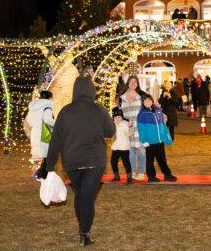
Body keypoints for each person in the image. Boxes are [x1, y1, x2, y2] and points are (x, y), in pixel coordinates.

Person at [46, 77, 115, 246]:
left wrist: (49, 166)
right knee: (87, 198)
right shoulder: (99, 109)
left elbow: (55, 140)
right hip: (94, 161)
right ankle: (84, 233)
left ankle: (82, 229)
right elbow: (110, 130)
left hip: (72, 161)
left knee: (81, 194)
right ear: (92, 90)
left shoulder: (65, 112)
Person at [136, 94, 177, 182]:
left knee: (162, 158)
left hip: (160, 140)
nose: (148, 102)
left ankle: (167, 174)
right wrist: (144, 140)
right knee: (150, 160)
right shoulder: (142, 114)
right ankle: (151, 176)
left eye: (149, 100)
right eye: (145, 100)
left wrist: (167, 137)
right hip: (150, 141)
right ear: (142, 102)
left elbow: (163, 125)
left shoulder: (158, 111)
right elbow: (141, 129)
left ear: (152, 101)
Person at [119, 75, 147, 181]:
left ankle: (141, 172)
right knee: (132, 151)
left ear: (137, 83)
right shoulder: (122, 97)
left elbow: (150, 106)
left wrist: (161, 114)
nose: (133, 83)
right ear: (128, 83)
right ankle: (133, 171)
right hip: (128, 128)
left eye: (135, 82)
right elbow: (120, 113)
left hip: (140, 126)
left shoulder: (142, 96)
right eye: (131, 81)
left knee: (142, 150)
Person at [26, 90, 56, 176]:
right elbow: (48, 120)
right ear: (49, 98)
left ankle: (37, 173)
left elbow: (28, 120)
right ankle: (44, 174)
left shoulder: (33, 107)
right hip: (43, 133)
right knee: (45, 155)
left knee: (37, 154)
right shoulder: (47, 107)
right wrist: (57, 123)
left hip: (34, 132)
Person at [110, 106, 132, 184]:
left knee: (126, 162)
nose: (117, 119)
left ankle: (129, 177)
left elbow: (130, 132)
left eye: (119, 117)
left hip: (124, 147)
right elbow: (111, 134)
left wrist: (130, 130)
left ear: (122, 117)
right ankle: (116, 176)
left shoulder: (126, 123)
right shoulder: (113, 124)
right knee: (113, 162)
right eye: (115, 118)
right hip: (116, 146)